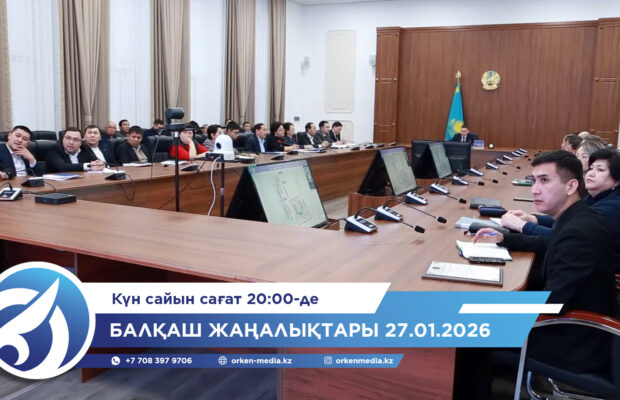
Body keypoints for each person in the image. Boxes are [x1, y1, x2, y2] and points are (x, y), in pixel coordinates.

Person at [464, 151, 615, 398]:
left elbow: (553, 303)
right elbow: (553, 244)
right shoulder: (577, 218)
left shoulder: (579, 230)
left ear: (571, 186)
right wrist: (504, 239)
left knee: (471, 332)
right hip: (575, 324)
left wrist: (488, 307)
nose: (535, 189)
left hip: (575, 339)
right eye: (533, 180)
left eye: (545, 181)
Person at [501, 149, 620, 269]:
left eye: (600, 170)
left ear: (617, 180)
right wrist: (534, 219)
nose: (591, 173)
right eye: (591, 168)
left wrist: (522, 226)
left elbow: (565, 236)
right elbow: (567, 220)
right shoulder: (594, 197)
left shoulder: (610, 208)